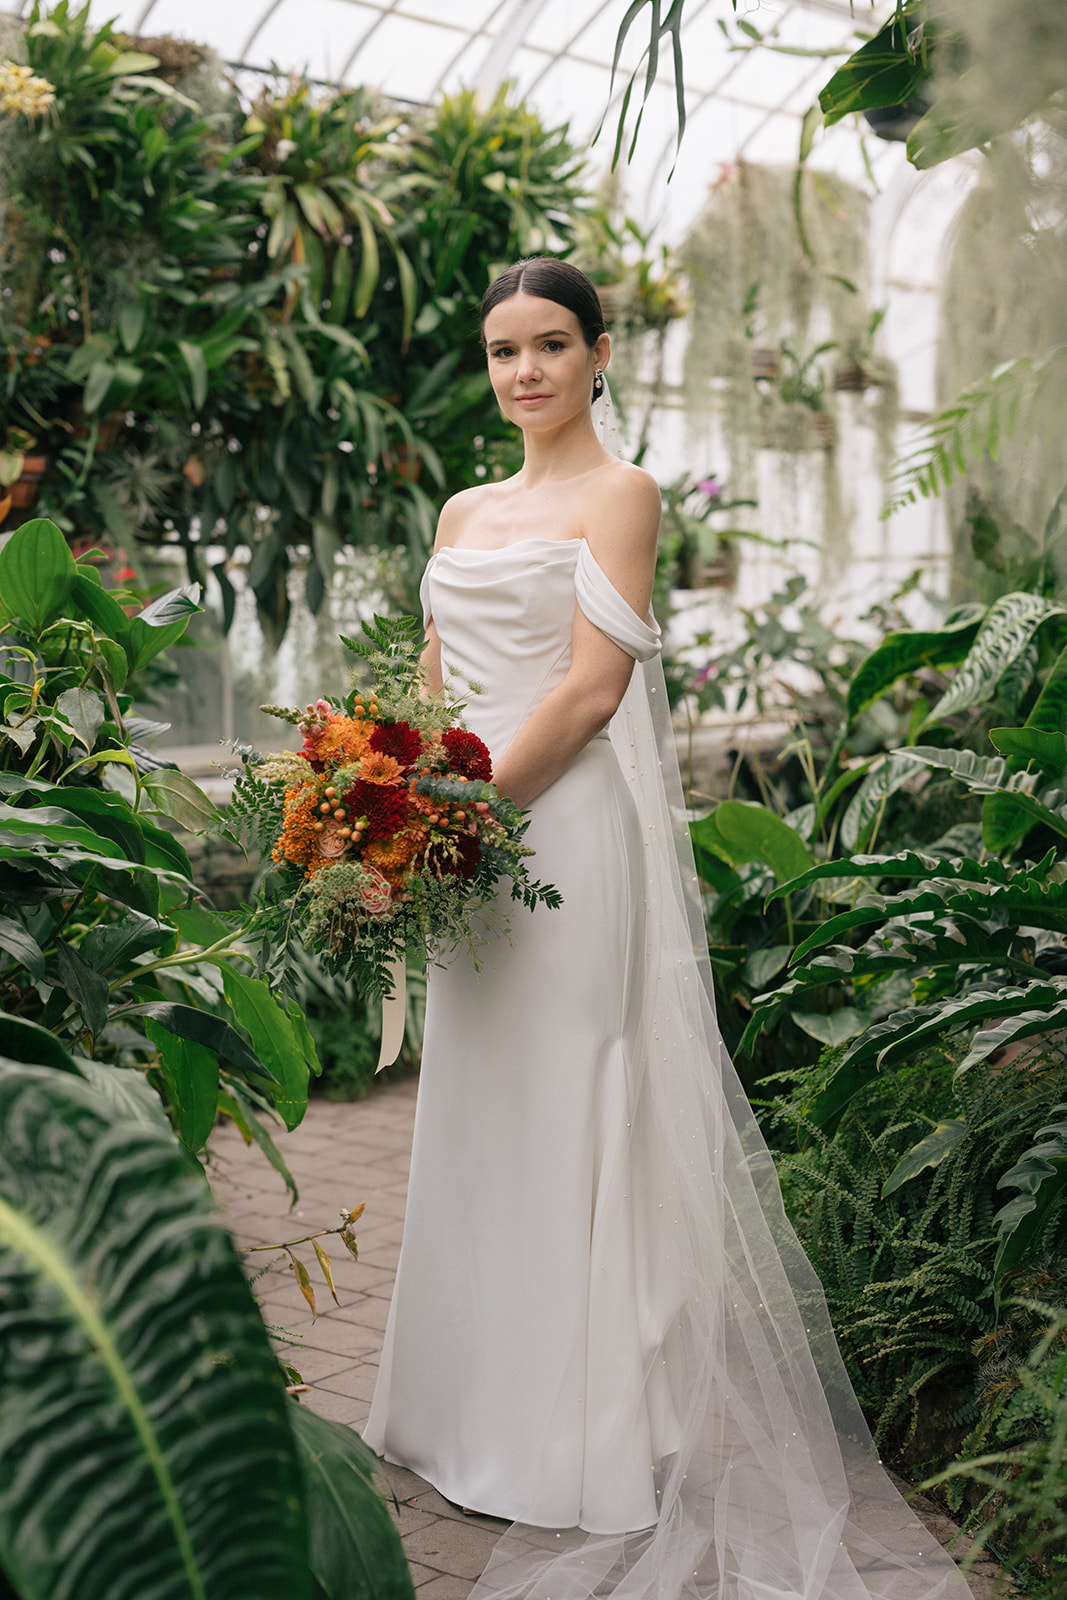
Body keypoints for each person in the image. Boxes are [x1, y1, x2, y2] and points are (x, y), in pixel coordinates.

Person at [363, 257, 973, 1600]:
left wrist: (452, 823)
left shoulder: (622, 494)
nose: (525, 371)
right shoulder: (463, 511)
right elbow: (428, 689)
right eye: (504, 351)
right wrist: (391, 800)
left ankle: (571, 1443)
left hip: (563, 847)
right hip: (470, 847)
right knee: (478, 1111)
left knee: (577, 1110)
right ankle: (453, 1412)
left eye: (551, 345)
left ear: (598, 355)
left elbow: (585, 697)